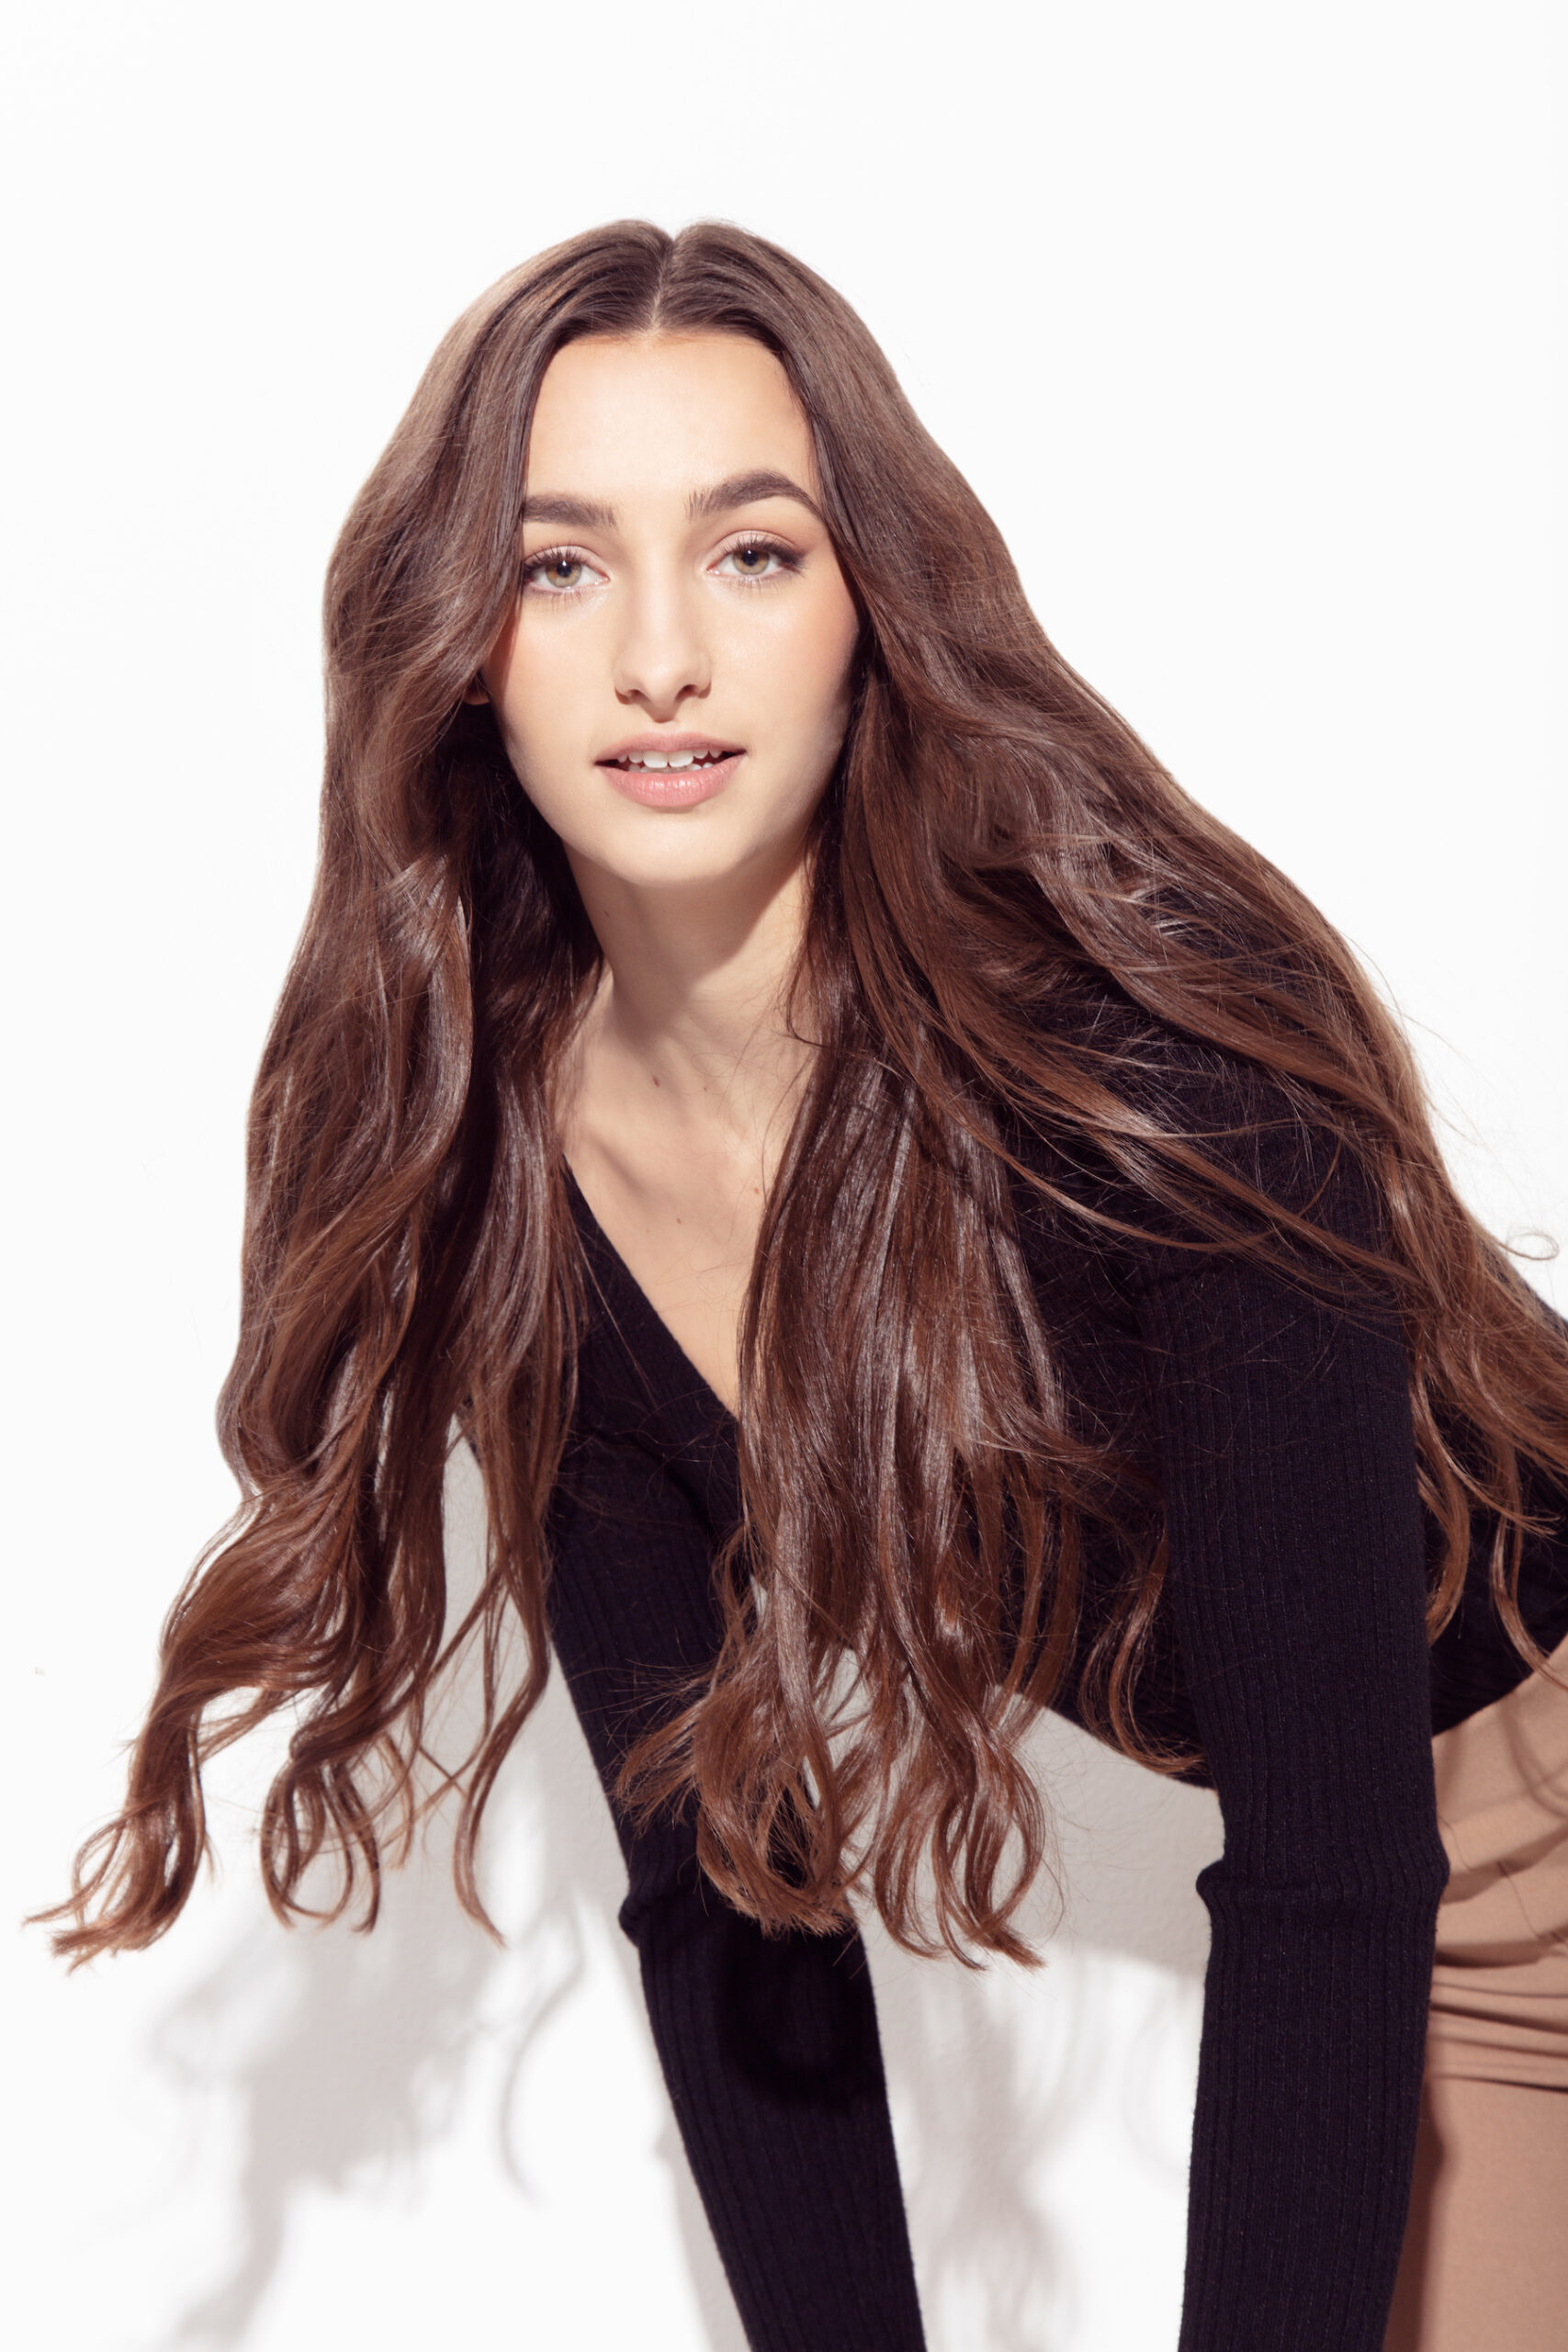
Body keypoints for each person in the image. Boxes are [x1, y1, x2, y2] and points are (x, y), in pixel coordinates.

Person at [40, 220, 1568, 2351]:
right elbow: (723, 1893)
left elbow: (1323, 1880)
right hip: (1439, 1932)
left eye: (750, 552)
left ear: (872, 606)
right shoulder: (529, 1196)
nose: (660, 656)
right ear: (459, 643)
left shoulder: (1149, 1070)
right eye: (558, 566)